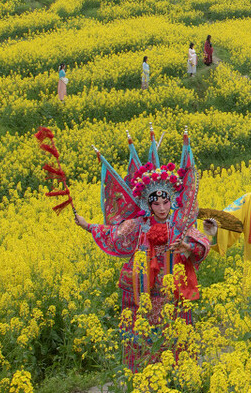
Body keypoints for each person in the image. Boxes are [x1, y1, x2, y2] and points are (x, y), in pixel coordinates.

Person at [73, 128, 211, 371]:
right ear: (148, 203)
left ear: (172, 201)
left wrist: (186, 246)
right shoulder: (138, 224)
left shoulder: (179, 222)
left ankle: (179, 377)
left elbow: (201, 244)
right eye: (155, 203)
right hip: (143, 295)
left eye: (165, 201)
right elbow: (114, 235)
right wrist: (88, 226)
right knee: (144, 342)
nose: (160, 207)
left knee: (174, 340)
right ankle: (143, 380)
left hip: (173, 294)